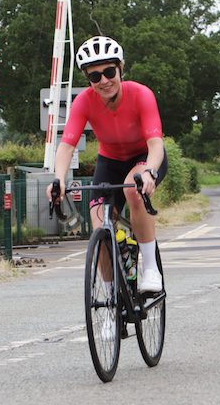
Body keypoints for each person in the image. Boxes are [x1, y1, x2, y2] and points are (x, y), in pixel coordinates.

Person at [51, 35, 167, 292]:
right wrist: (58, 178)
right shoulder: (83, 102)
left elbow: (156, 144)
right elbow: (67, 145)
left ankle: (150, 268)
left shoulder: (141, 94)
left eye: (109, 71)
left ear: (120, 68)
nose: (104, 81)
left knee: (132, 190)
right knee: (99, 226)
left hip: (143, 158)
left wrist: (149, 171)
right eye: (95, 76)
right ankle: (112, 297)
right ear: (88, 79)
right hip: (110, 160)